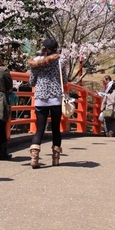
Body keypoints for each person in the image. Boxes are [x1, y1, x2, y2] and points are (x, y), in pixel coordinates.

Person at [28, 38, 67, 168]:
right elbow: (65, 80)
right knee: (56, 128)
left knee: (39, 129)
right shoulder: (60, 62)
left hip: (40, 98)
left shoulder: (36, 62)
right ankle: (55, 158)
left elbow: (32, 82)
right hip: (55, 98)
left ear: (43, 48)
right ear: (56, 49)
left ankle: (34, 157)